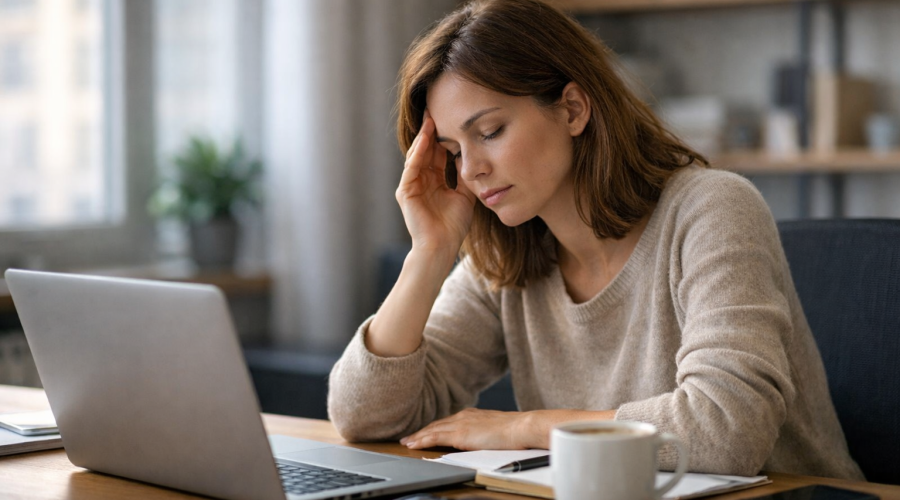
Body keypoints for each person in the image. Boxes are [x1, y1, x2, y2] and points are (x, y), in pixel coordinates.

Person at [327, 0, 863, 480]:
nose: (472, 171)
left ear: (573, 109)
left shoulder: (712, 207)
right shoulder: (507, 255)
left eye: (489, 132)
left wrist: (526, 428)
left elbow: (726, 430)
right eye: (453, 150)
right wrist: (429, 253)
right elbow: (362, 416)